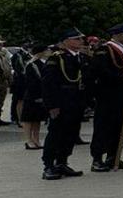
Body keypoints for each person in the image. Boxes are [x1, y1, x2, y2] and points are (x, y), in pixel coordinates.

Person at [39, 30, 88, 180]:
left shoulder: (81, 57)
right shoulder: (57, 58)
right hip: (62, 101)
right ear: (65, 41)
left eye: (81, 39)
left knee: (71, 133)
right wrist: (52, 105)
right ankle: (49, 165)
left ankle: (62, 161)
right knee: (56, 133)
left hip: (76, 101)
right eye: (76, 39)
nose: (80, 41)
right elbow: (48, 83)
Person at [87, 23, 123, 171]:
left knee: (118, 127)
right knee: (103, 127)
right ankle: (97, 159)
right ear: (119, 34)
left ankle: (113, 156)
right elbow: (101, 71)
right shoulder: (105, 49)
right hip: (108, 94)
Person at [15, 44, 51, 149]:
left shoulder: (45, 63)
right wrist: (37, 94)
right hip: (33, 95)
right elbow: (31, 82)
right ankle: (28, 140)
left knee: (37, 119)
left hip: (42, 94)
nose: (49, 52)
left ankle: (36, 139)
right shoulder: (32, 65)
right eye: (47, 50)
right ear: (41, 52)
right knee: (29, 119)